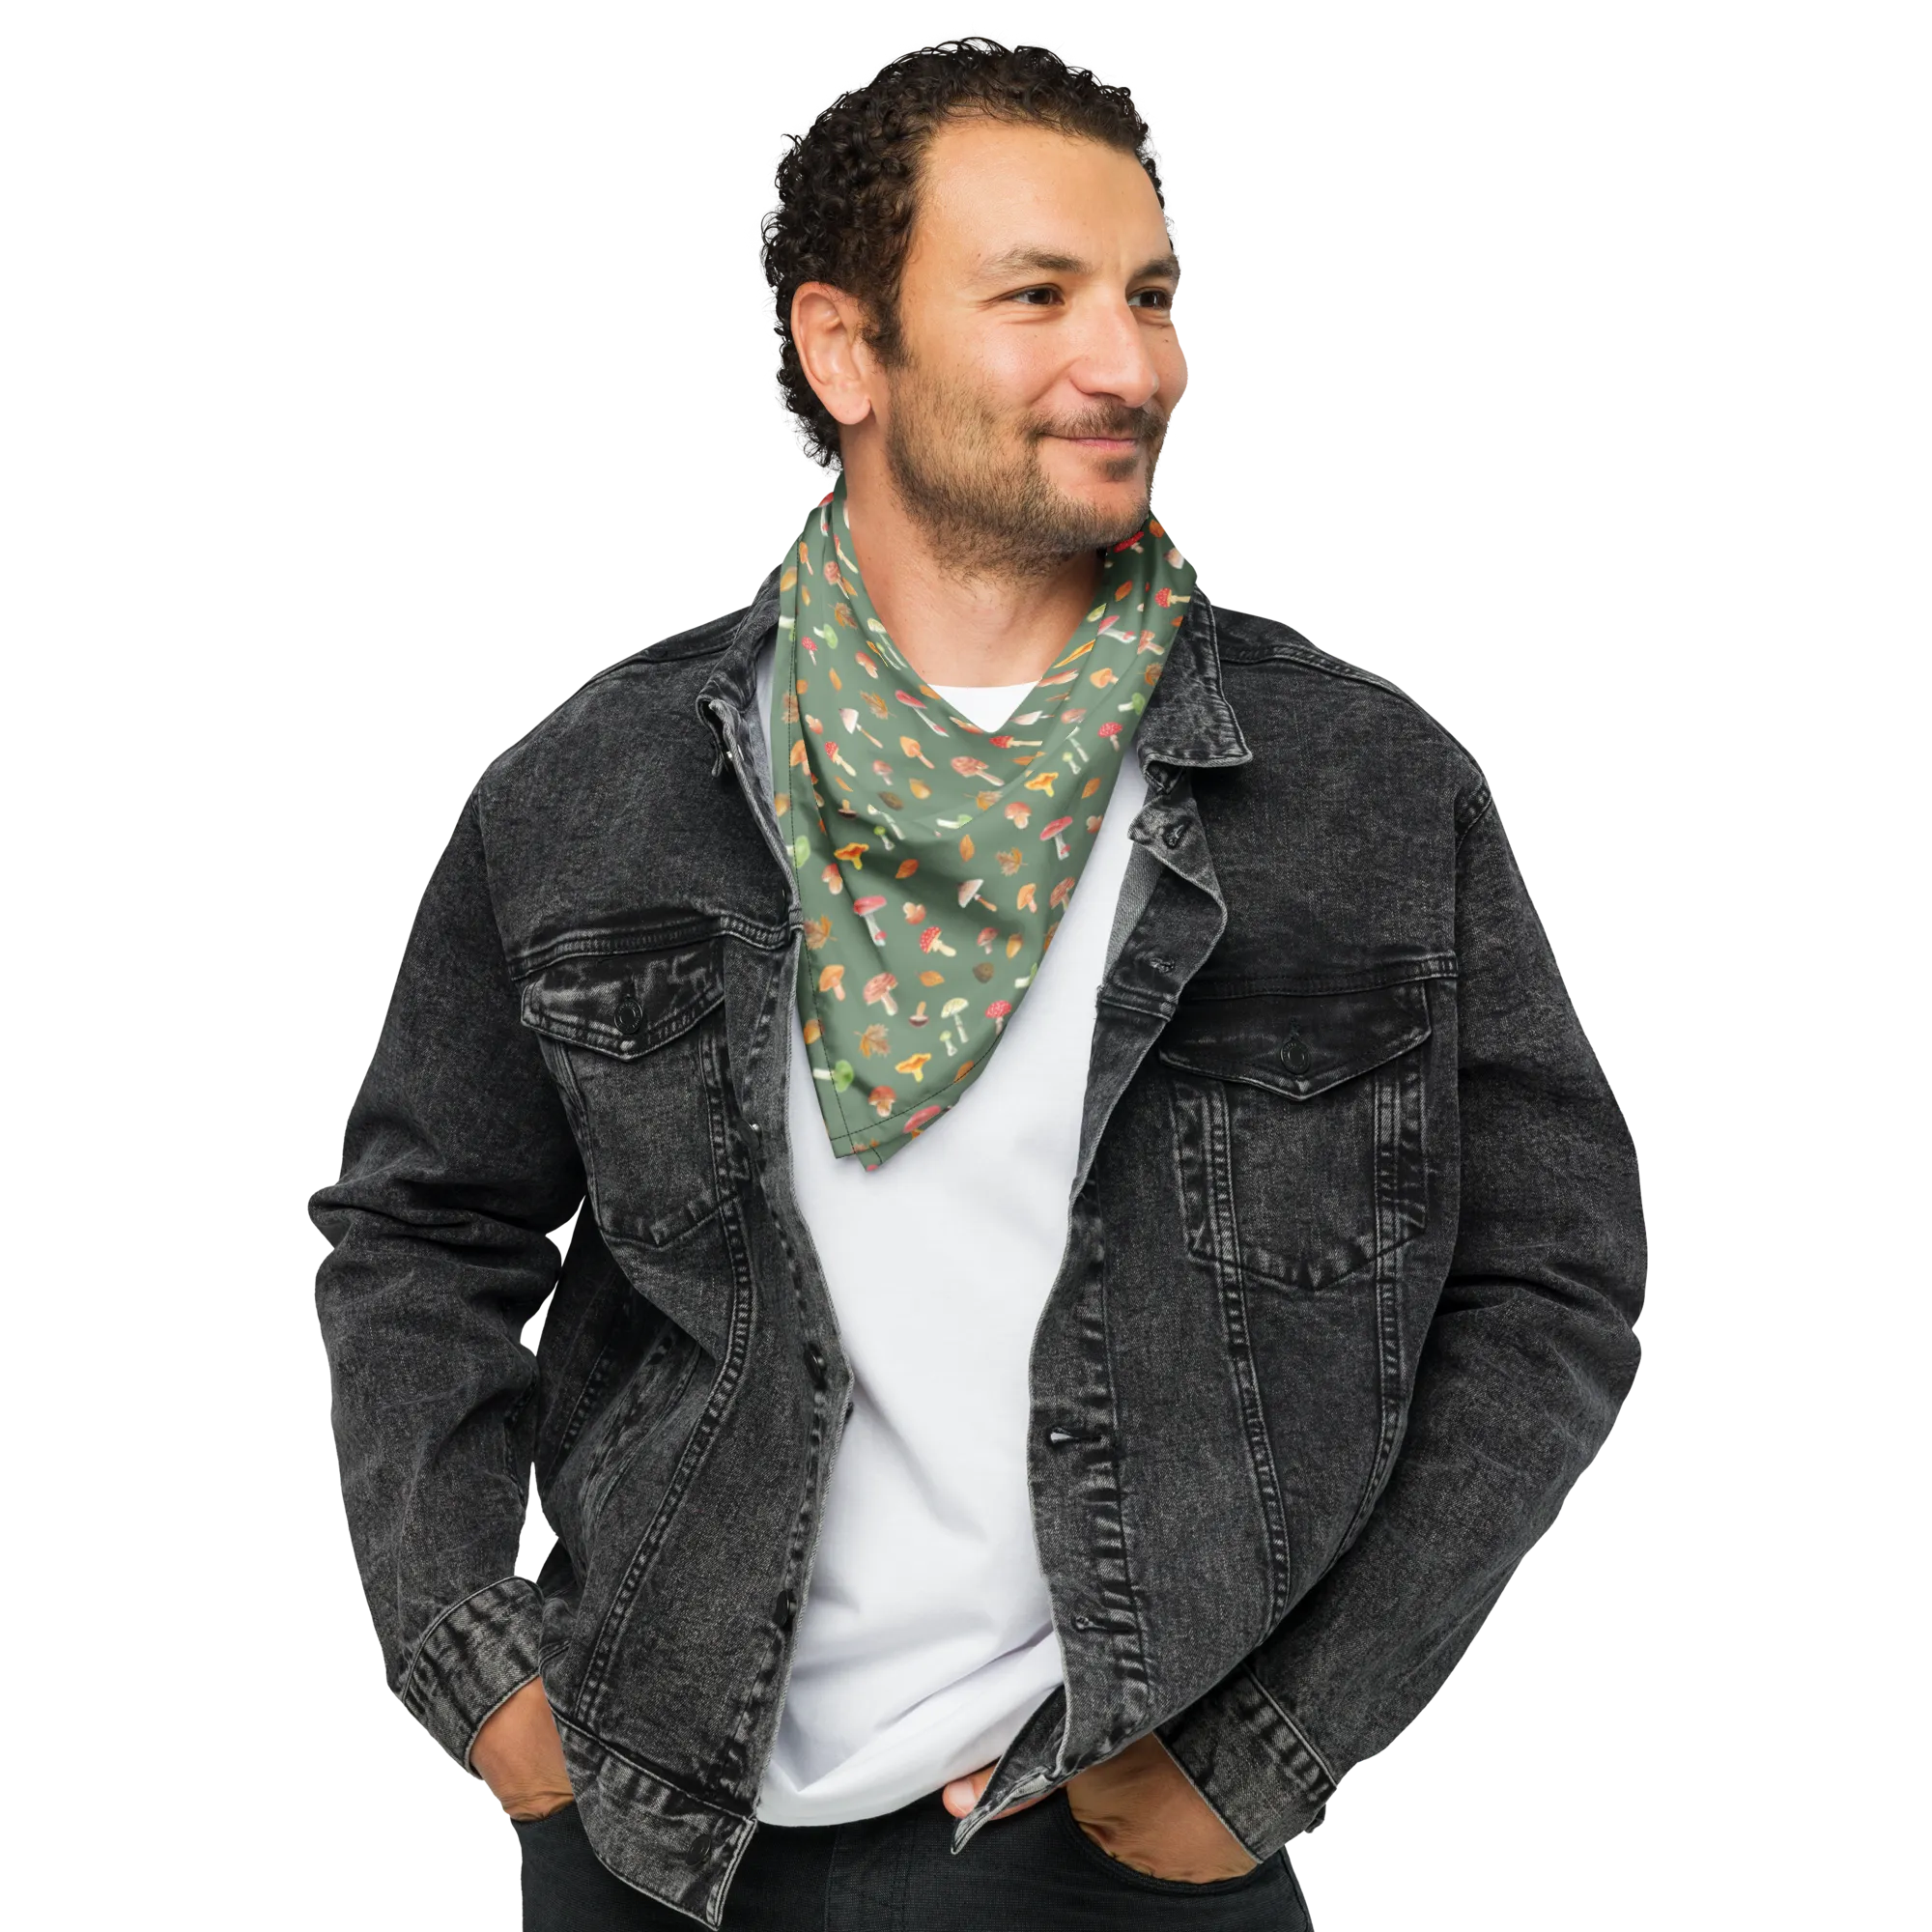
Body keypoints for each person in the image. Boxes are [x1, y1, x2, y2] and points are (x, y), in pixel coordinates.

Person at [306, 30, 1648, 1930]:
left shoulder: (1362, 789)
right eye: (1039, 297)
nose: (1133, 365)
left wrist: (1265, 1754)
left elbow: (1548, 1277)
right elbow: (420, 1238)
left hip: (1108, 1842)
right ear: (846, 350)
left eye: (1152, 297)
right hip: (652, 1837)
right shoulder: (587, 796)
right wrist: (482, 1674)